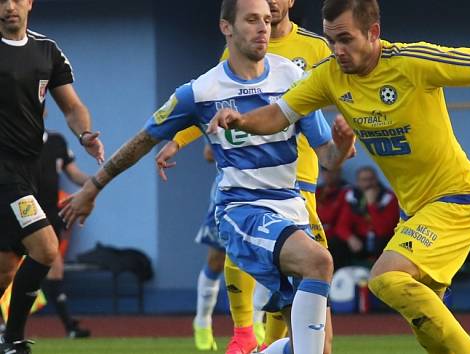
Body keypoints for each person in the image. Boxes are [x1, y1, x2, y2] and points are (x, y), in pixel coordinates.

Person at [207, 0, 470, 351]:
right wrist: (240, 121)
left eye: (345, 39)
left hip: (457, 202)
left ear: (373, 33)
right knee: (427, 323)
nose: (337, 49)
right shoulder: (330, 77)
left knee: (386, 279)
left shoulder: (411, 62)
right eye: (330, 40)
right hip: (415, 214)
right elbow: (277, 115)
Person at [60, 1, 354, 354]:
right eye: (251, 20)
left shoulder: (292, 76)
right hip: (242, 210)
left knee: (319, 347)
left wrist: (342, 144)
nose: (263, 27)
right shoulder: (200, 92)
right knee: (319, 262)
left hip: (293, 208)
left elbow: (329, 159)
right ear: (226, 27)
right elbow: (142, 141)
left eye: (264, 19)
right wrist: (92, 188)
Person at [166, 0, 334, 351]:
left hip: (298, 177)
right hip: (244, 178)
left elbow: (335, 93)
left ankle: (272, 342)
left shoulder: (316, 47)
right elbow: (210, 100)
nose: (269, 5)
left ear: (290, 2)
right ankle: (242, 332)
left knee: (304, 284)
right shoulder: (241, 45)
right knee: (234, 251)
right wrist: (178, 141)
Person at [0, 0, 104, 352]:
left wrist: (85, 134)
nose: (9, 6)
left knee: (5, 269)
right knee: (45, 249)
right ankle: (12, 340)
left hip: (27, 171)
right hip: (3, 171)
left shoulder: (47, 50)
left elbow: (72, 106)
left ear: (30, 2)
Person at [37, 130, 91, 338]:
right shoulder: (13, 137)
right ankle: (7, 328)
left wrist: (97, 181)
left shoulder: (56, 141)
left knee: (55, 266)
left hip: (49, 216)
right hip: (18, 212)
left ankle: (69, 327)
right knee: (9, 271)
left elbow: (75, 174)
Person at [331, 166, 398, 268]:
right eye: (364, 180)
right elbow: (341, 226)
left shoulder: (389, 198)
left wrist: (371, 205)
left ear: (376, 180)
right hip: (360, 240)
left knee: (383, 242)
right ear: (358, 182)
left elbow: (383, 230)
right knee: (335, 242)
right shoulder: (352, 197)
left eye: (371, 179)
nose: (368, 183)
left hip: (381, 240)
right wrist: (350, 238)